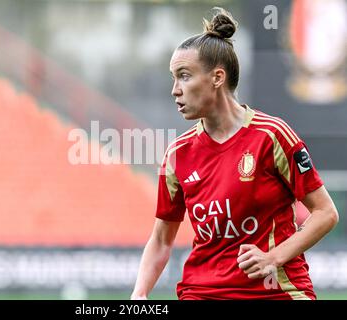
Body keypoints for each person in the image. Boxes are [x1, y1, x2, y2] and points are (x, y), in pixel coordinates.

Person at [130, 7, 339, 300]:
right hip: (201, 292)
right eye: (173, 78)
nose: (175, 90)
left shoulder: (272, 136)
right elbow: (162, 240)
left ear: (217, 77)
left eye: (184, 76)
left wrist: (273, 257)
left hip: (275, 292)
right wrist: (138, 295)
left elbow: (325, 213)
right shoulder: (177, 154)